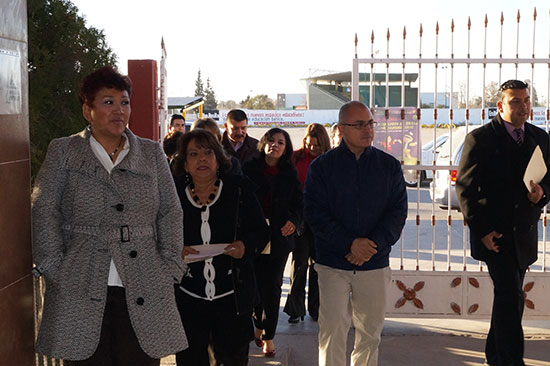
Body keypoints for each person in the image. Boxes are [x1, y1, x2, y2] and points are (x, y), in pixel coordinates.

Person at [31, 66, 187, 365]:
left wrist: (170, 266)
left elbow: (170, 212)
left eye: (124, 102)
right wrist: (54, 266)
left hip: (145, 283)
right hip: (79, 283)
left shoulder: (152, 153)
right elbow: (44, 209)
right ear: (87, 110)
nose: (119, 110)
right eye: (108, 102)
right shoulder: (64, 151)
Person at [304, 101, 407, 366]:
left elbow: (397, 213)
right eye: (359, 124)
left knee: (370, 334)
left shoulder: (389, 166)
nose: (367, 129)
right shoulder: (322, 167)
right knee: (332, 330)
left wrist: (371, 245)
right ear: (341, 129)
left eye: (370, 123)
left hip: (374, 262)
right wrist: (350, 244)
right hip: (333, 263)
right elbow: (316, 214)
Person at [456, 80, 550, 366]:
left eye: (526, 101)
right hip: (494, 235)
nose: (523, 107)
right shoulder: (481, 138)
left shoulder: (540, 137)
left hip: (523, 232)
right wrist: (482, 231)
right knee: (510, 294)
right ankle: (509, 360)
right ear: (500, 106)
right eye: (515, 102)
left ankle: (494, 354)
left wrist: (542, 193)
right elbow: (466, 189)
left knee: (509, 297)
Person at [171, 130, 269, 366]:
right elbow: (158, 236)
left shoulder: (239, 189)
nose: (202, 159)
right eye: (194, 154)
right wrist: (176, 250)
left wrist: (245, 246)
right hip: (188, 298)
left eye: (208, 152)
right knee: (190, 360)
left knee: (232, 359)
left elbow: (261, 231)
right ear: (185, 164)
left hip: (232, 297)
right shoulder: (172, 195)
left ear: (219, 158)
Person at [242, 128, 303, 358]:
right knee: (254, 285)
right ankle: (258, 323)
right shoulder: (248, 169)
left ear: (286, 148)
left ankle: (269, 336)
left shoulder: (290, 172)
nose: (274, 145)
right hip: (253, 236)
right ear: (263, 143)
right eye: (271, 140)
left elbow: (299, 204)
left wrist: (293, 222)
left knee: (273, 287)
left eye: (280, 142)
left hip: (279, 238)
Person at [283, 123, 331, 323]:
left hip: (321, 215)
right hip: (300, 216)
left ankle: (316, 308)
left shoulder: (330, 159)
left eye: (316, 146)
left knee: (319, 265)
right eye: (309, 144)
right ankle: (295, 309)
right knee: (300, 262)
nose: (312, 148)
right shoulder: (295, 157)